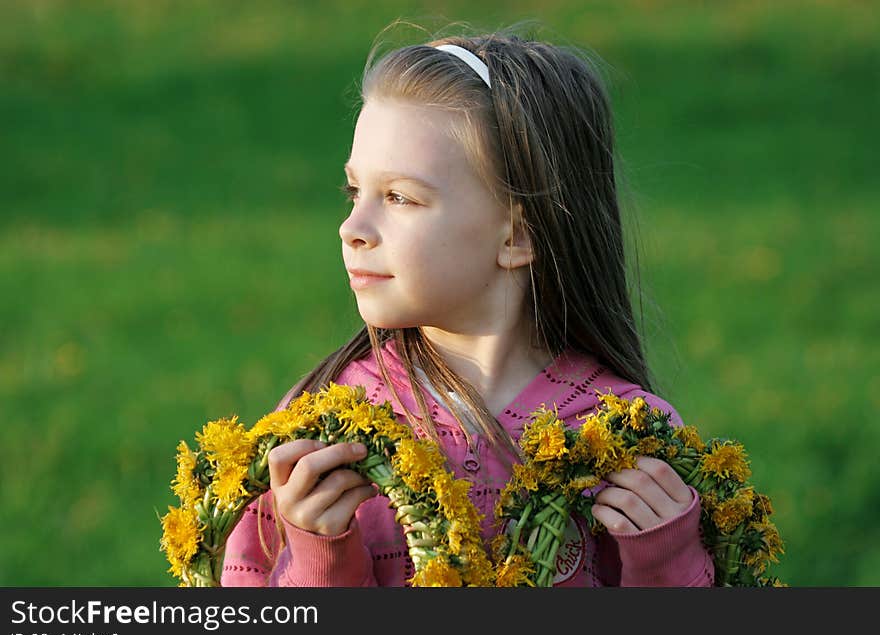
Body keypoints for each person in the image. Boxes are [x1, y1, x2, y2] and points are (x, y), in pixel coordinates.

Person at [221, 26, 714, 587]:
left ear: (516, 237)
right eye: (354, 191)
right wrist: (318, 559)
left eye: (400, 197)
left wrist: (666, 563)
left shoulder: (626, 440)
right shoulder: (322, 428)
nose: (352, 228)